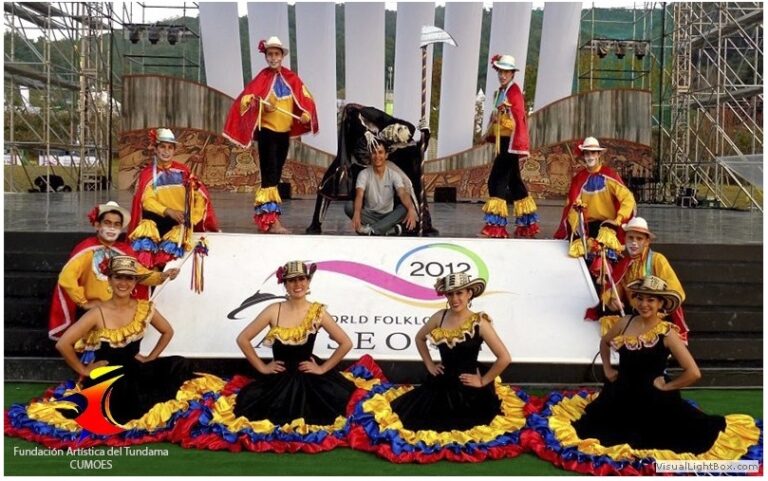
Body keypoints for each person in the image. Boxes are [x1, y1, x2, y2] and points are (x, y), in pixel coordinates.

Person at [525, 276, 762, 475]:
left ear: (661, 304)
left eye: (651, 299)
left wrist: (668, 387)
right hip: (619, 395)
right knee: (595, 433)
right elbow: (605, 342)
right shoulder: (625, 323)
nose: (644, 303)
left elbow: (693, 372)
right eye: (640, 297)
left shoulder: (667, 332)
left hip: (653, 401)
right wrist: (607, 369)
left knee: (679, 437)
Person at [7, 256, 224, 448]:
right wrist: (83, 368)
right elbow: (63, 344)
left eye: (129, 278)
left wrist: (150, 357)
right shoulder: (97, 312)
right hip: (108, 376)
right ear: (109, 280)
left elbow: (167, 331)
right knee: (120, 403)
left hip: (136, 369)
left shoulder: (143, 307)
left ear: (135, 283)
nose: (123, 283)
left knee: (180, 365)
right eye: (118, 277)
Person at [178, 261, 382, 453]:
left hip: (310, 378)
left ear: (308, 282)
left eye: (302, 279)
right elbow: (243, 339)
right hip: (279, 378)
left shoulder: (317, 312)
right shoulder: (273, 310)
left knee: (334, 410)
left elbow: (345, 343)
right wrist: (262, 367)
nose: (298, 284)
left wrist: (322, 368)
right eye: (292, 280)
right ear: (284, 284)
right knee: (257, 411)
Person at [348, 272, 529, 463]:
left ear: (469, 294)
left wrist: (483, 380)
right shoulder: (439, 317)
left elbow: (504, 358)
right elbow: (419, 338)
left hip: (468, 389)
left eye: (459, 293)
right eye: (450, 294)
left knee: (461, 425)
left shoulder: (479, 322)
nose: (455, 299)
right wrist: (429, 364)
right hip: (441, 381)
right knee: (410, 416)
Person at [223, 36, 319, 234]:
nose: (273, 57)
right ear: (266, 56)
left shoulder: (291, 78)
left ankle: (266, 220)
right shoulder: (262, 78)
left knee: (274, 176)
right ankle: (273, 222)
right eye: (270, 54)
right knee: (270, 176)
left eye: (276, 54)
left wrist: (306, 113)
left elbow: (305, 97)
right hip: (268, 133)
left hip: (283, 135)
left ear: (282, 56)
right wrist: (262, 103)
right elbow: (246, 100)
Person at [48, 201, 179, 340]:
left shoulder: (124, 251)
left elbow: (140, 274)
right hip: (94, 314)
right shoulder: (86, 250)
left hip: (118, 311)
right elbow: (66, 278)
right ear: (97, 225)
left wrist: (163, 276)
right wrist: (83, 303)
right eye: (107, 223)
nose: (112, 228)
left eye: (117, 224)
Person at [128, 128, 219, 269]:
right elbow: (146, 201)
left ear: (174, 150)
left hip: (179, 223)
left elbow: (200, 196)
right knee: (146, 258)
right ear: (156, 149)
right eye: (163, 147)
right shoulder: (147, 174)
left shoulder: (183, 171)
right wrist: (167, 210)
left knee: (170, 262)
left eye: (170, 147)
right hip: (155, 222)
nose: (166, 151)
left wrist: (191, 218)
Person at [599, 217, 690, 342]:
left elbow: (675, 290)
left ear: (647, 241)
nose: (634, 242)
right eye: (630, 238)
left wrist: (656, 304)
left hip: (654, 315)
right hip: (633, 314)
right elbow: (615, 285)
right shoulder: (623, 264)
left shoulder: (657, 260)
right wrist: (612, 299)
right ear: (625, 239)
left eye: (639, 238)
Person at [481, 54, 540, 238]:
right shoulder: (501, 92)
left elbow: (518, 118)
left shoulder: (514, 92)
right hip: (505, 142)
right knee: (515, 183)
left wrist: (503, 118)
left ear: (512, 74)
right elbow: (498, 117)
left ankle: (497, 227)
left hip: (511, 143)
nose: (502, 75)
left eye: (506, 72)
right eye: (500, 71)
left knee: (496, 181)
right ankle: (527, 224)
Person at [553, 136, 636, 263]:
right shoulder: (579, 179)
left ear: (598, 155)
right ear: (583, 156)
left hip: (607, 226)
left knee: (605, 259)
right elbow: (572, 206)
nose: (590, 156)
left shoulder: (610, 176)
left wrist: (618, 219)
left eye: (593, 152)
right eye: (587, 153)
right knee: (584, 258)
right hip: (587, 227)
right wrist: (576, 225)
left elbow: (628, 198)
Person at [346, 143, 418, 236]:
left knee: (405, 208)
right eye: (374, 153)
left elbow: (403, 193)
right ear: (370, 155)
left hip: (388, 215)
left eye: (380, 152)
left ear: (386, 155)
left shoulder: (393, 174)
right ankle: (387, 229)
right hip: (369, 214)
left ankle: (372, 230)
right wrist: (356, 213)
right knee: (348, 206)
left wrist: (411, 209)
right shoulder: (363, 174)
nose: (377, 156)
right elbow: (359, 195)